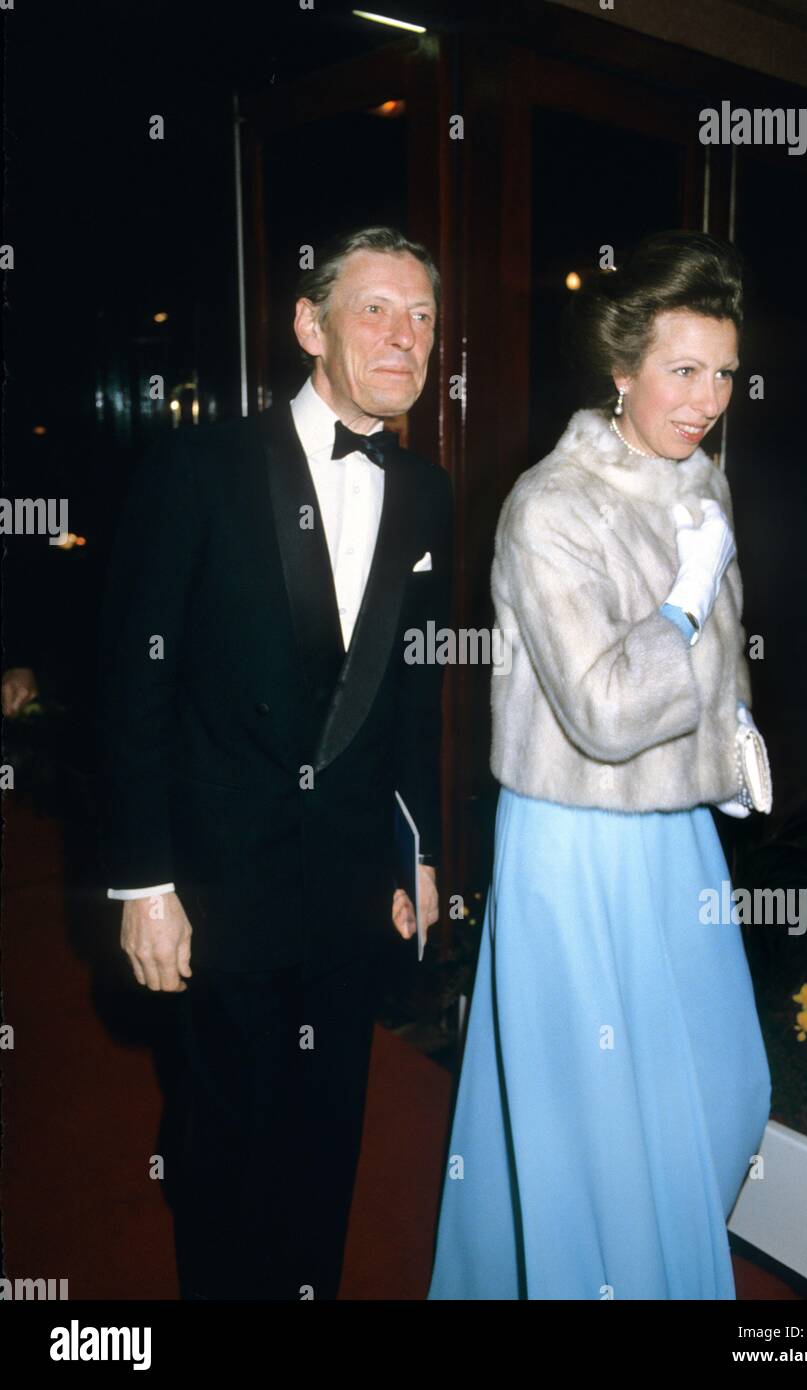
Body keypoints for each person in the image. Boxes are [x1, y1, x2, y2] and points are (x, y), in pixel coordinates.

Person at [97, 226, 453, 1300]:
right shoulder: (201, 466)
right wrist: (142, 881)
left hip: (348, 881)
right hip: (218, 874)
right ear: (310, 325)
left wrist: (416, 854)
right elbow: (131, 684)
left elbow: (410, 697)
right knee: (221, 1148)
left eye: (424, 316)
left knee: (324, 1136)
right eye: (376, 309)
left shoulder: (426, 491)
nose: (405, 337)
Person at [427, 230, 772, 1300]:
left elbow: (712, 671)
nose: (707, 396)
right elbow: (609, 710)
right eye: (682, 369)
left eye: (720, 372)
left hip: (676, 831)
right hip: (574, 839)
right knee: (598, 1122)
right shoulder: (550, 506)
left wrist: (731, 745)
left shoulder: (695, 480)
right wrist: (681, 598)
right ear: (621, 370)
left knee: (724, 1088)